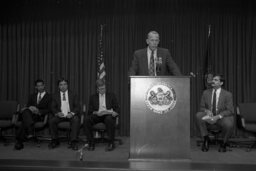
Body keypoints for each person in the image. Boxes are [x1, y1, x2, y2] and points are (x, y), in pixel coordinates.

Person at [196, 74, 234, 152]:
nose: (213, 81)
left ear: (221, 83)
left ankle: (224, 143)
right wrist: (206, 111)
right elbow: (201, 108)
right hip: (209, 117)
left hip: (221, 118)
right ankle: (206, 139)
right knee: (198, 115)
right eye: (213, 79)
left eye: (216, 80)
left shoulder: (228, 94)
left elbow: (230, 110)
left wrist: (218, 116)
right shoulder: (205, 93)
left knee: (229, 123)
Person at [14, 79, 52, 150]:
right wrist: (30, 107)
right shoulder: (32, 96)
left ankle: (19, 140)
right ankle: (30, 131)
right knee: (26, 112)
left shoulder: (49, 96)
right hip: (30, 115)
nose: (40, 87)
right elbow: (28, 106)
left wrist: (38, 111)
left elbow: (49, 109)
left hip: (39, 116)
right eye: (38, 86)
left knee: (24, 121)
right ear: (36, 87)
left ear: (44, 86)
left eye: (41, 85)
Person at [84, 79, 120, 151]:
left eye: (104, 88)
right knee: (87, 120)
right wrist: (96, 112)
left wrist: (114, 112)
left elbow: (117, 108)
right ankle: (91, 143)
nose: (102, 90)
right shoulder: (93, 97)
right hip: (98, 115)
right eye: (100, 89)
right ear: (97, 89)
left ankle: (111, 143)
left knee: (109, 119)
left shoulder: (111, 95)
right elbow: (90, 111)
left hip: (108, 115)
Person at [48, 78, 80, 150]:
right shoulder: (54, 95)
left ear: (67, 85)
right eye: (61, 85)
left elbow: (77, 106)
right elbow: (52, 107)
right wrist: (57, 113)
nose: (63, 86)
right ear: (58, 86)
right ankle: (55, 140)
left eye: (65, 84)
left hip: (70, 114)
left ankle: (73, 141)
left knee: (76, 119)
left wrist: (72, 113)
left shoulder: (73, 94)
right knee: (52, 121)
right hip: (60, 114)